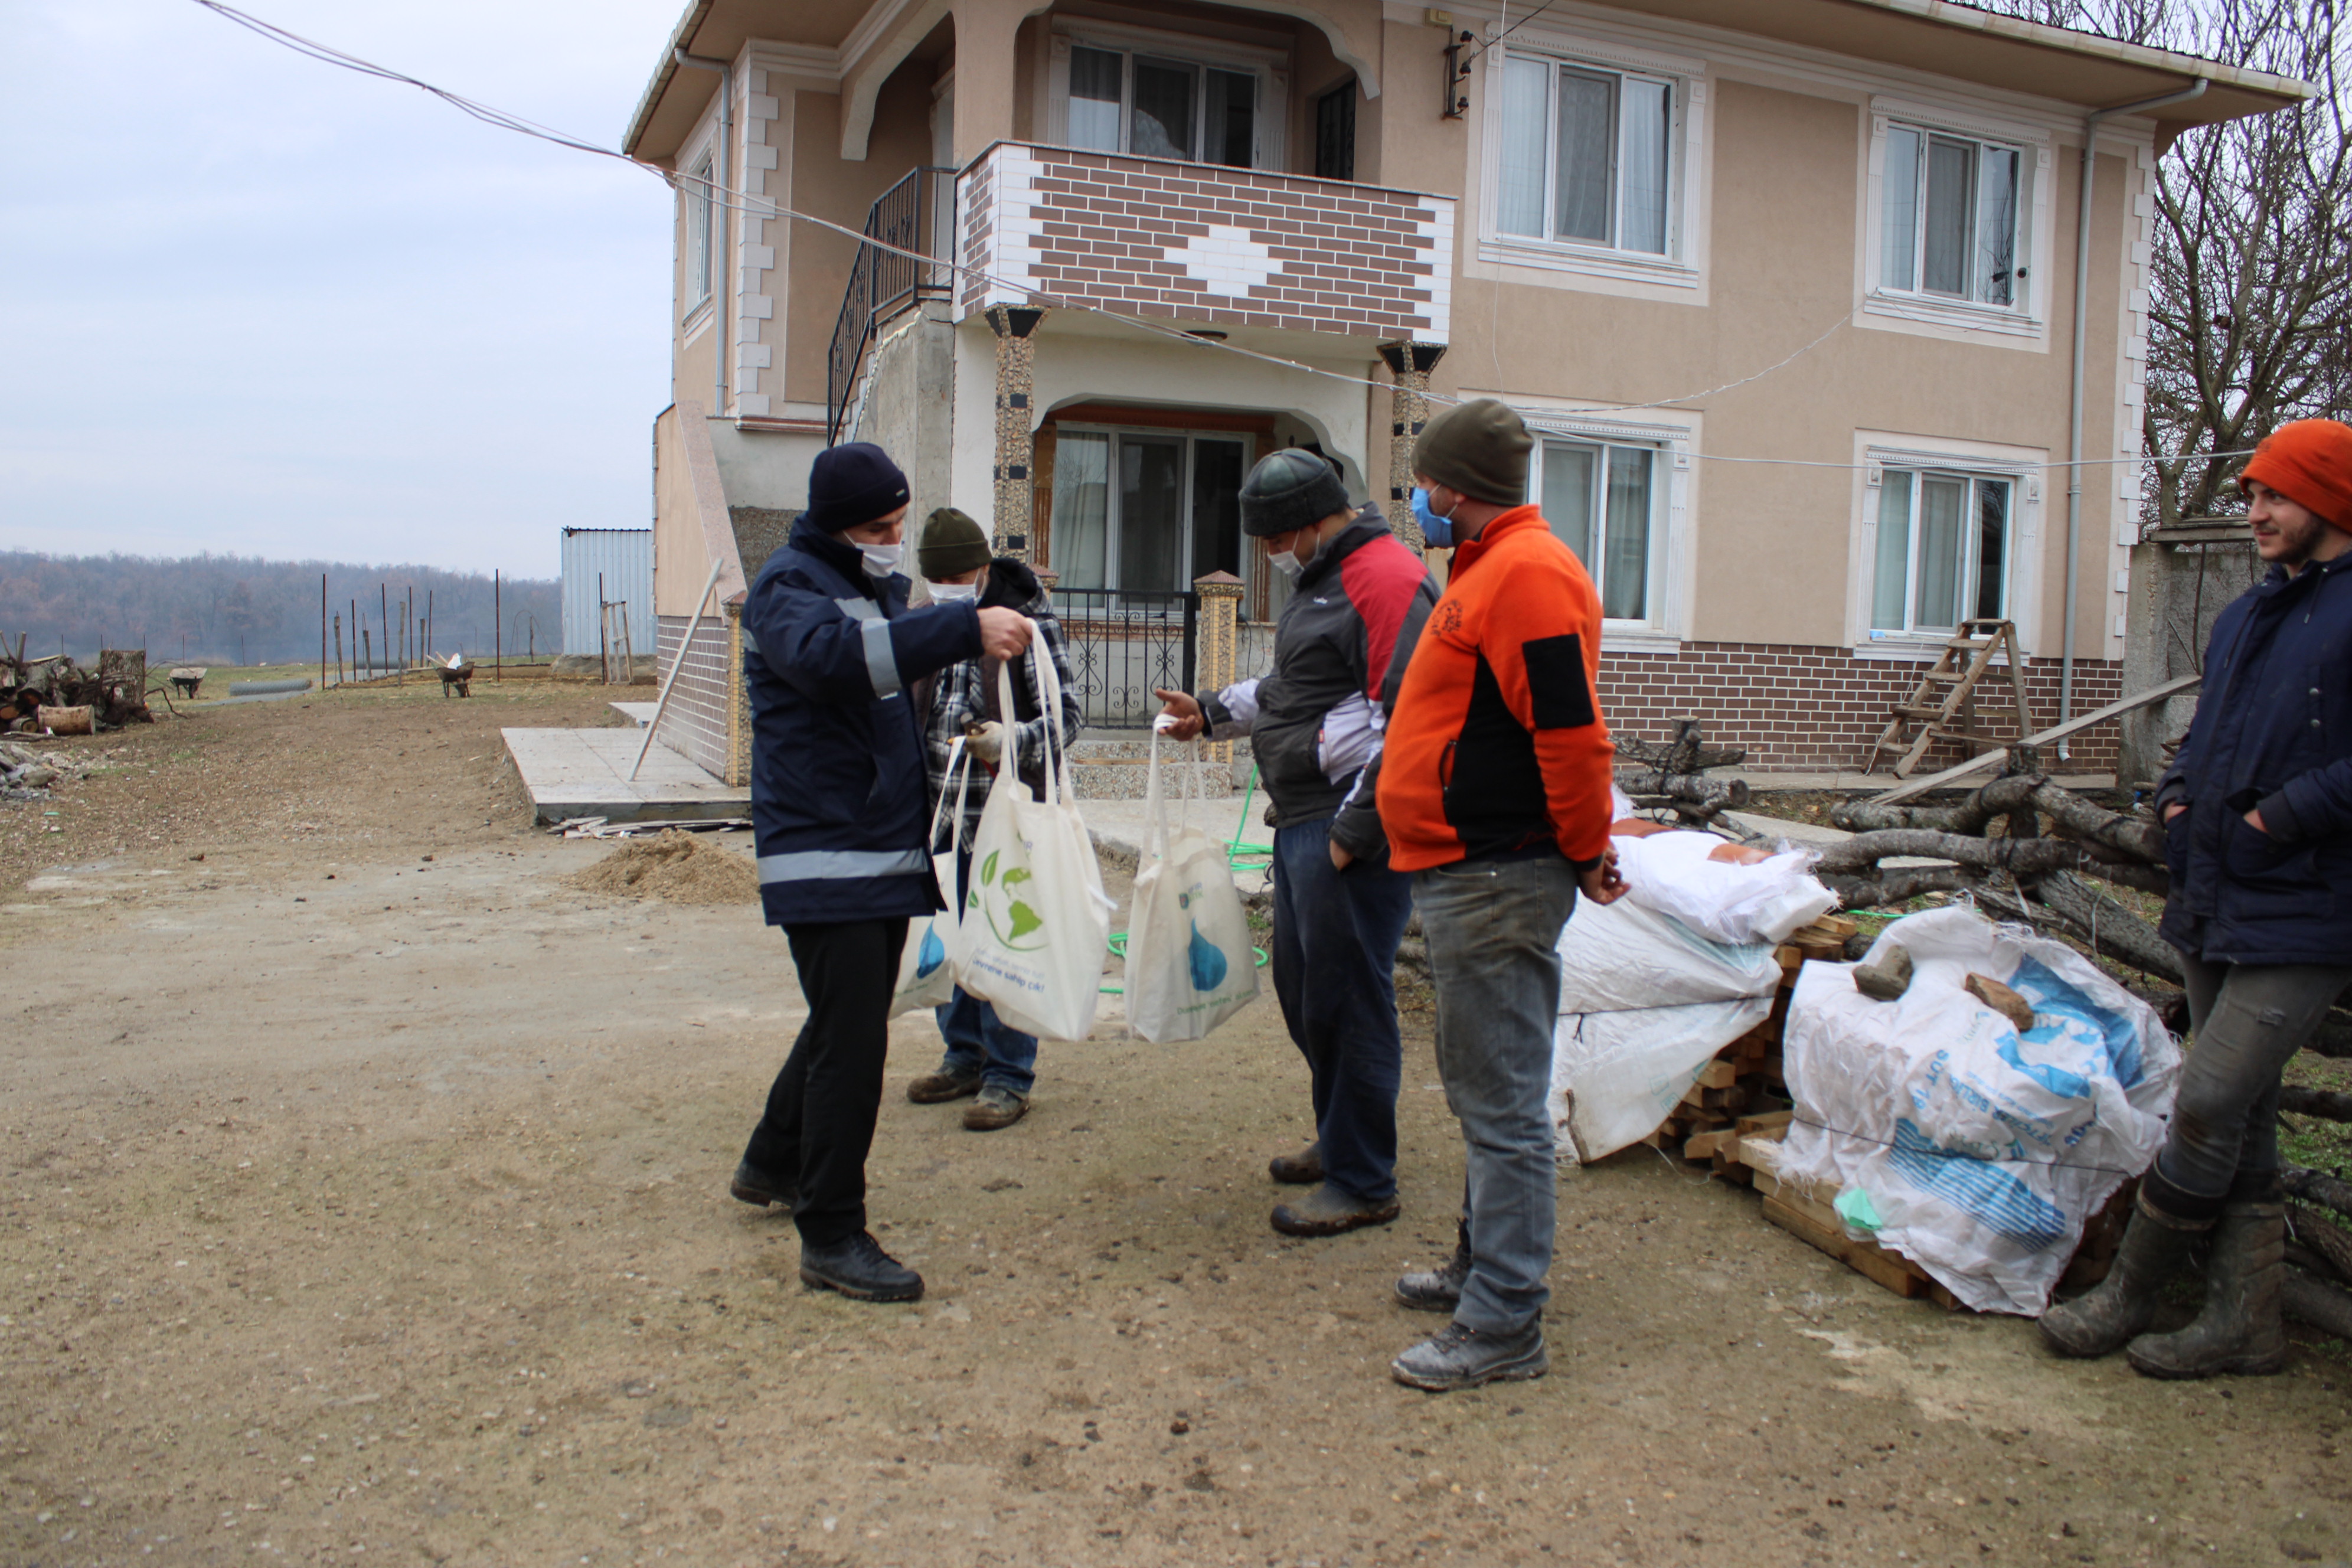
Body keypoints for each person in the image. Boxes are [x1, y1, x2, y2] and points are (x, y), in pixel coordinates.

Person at [2040, 418, 2352, 1378]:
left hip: (2306, 902)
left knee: (2210, 1095)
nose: (2253, 510)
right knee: (2245, 1111)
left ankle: (2128, 1292)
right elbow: (2202, 731)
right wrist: (2173, 800)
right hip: (2214, 891)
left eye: (2274, 495)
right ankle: (2241, 1322)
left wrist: (2280, 820)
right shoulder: (2244, 612)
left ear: (2329, 501)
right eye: (2251, 493)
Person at [727, 445, 1034, 1304]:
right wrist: (961, 626)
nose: (894, 541)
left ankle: (770, 1161)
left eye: (900, 524)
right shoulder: (789, 591)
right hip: (829, 856)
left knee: (841, 1019)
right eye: (878, 528)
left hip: (871, 849)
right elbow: (839, 662)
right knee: (853, 1044)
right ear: (833, 526)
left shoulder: (865, 587)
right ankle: (831, 1232)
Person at [1374, 397, 1623, 1392]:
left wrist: (1585, 844)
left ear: (1455, 486)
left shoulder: (1525, 576)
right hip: (1468, 867)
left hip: (1495, 872)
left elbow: (1569, 734)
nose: (1417, 498)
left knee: (1503, 1103)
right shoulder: (1487, 570)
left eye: (1423, 482)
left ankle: (1503, 1322)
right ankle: (1482, 1270)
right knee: (1485, 1088)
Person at [1154, 450, 1437, 1237]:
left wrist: (1355, 834)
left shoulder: (1384, 580)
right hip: (1307, 822)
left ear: (1313, 523)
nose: (1271, 556)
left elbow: (1415, 720)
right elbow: (1295, 691)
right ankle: (1342, 1136)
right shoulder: (1326, 582)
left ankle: (1363, 1179)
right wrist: (1210, 710)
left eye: (1277, 540)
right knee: (1308, 994)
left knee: (1348, 1000)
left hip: (1346, 826)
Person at [904, 507, 1083, 1132]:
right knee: (953, 938)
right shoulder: (926, 622)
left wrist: (1010, 742)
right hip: (940, 815)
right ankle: (964, 1055)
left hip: (1006, 817)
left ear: (981, 568)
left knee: (1007, 938)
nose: (948, 587)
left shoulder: (1027, 624)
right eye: (938, 578)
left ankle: (1009, 1074)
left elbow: (1069, 717)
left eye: (958, 576)